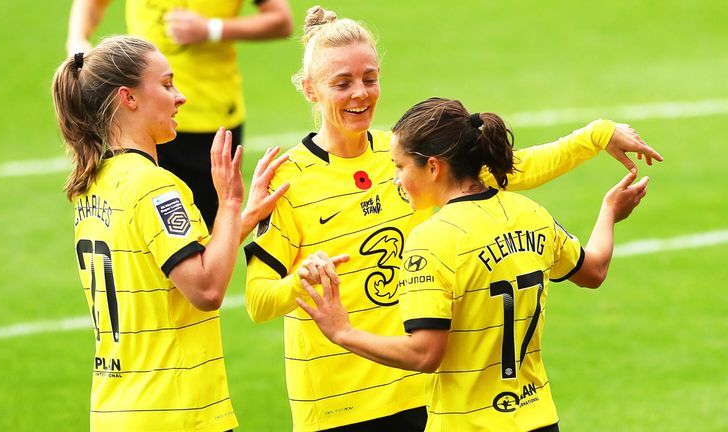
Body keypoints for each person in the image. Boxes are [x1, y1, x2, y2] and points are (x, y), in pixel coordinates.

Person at [243, 6, 663, 431]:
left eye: (370, 78)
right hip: (335, 406)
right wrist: (304, 280)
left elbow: (507, 168)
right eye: (342, 83)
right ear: (310, 90)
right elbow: (258, 302)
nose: (361, 94)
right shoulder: (287, 180)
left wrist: (594, 136)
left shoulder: (405, 156)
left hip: (419, 389)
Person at [297, 97, 651, 431]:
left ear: (433, 167)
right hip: (540, 420)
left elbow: (424, 354)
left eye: (400, 167)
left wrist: (342, 331)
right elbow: (594, 271)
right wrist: (609, 213)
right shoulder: (529, 212)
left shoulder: (431, 240)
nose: (395, 180)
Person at [52, 35, 288, 431]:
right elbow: (206, 289)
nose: (180, 97)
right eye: (166, 84)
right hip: (176, 411)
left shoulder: (94, 185)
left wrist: (241, 220)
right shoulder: (155, 186)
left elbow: (166, 267)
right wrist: (228, 202)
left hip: (116, 411)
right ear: (128, 98)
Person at [66, 0, 293, 229]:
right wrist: (77, 41)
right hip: (139, 120)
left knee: (203, 235)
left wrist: (211, 29)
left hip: (210, 122)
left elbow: (281, 20)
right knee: (138, 229)